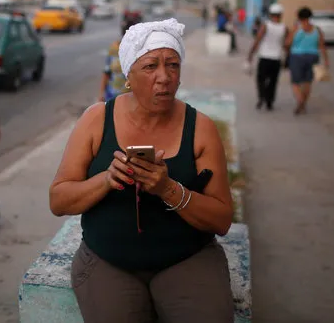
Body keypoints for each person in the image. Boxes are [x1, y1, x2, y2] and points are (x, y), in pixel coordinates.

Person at [49, 18, 235, 323]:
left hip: (186, 259)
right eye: (150, 66)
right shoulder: (96, 120)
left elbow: (222, 219)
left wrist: (168, 189)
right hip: (108, 261)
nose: (164, 77)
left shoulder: (201, 129)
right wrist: (107, 179)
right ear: (128, 75)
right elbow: (58, 200)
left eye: (172, 65)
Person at [285, 6, 330, 115]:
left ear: (299, 17)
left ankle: (300, 100)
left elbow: (287, 43)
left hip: (297, 57)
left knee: (295, 82)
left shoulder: (296, 28)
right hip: (313, 57)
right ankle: (304, 105)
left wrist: (287, 49)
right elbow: (322, 46)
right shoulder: (317, 30)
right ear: (309, 17)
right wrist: (326, 61)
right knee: (307, 82)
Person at [247, 3, 287, 111]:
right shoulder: (284, 27)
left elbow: (257, 40)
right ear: (281, 15)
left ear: (270, 14)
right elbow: (286, 44)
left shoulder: (266, 25)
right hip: (276, 58)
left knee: (261, 79)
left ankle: (261, 97)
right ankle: (269, 102)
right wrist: (287, 58)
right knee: (273, 81)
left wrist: (250, 54)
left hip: (264, 57)